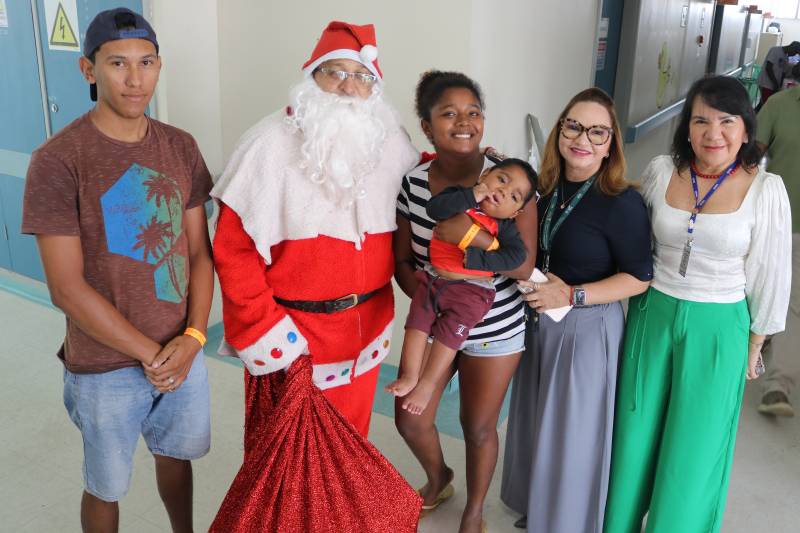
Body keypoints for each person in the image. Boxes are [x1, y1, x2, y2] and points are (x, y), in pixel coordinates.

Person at [21, 8, 213, 533]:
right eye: (118, 63)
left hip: (182, 348)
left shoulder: (180, 146)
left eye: (146, 62)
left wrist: (194, 338)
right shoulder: (58, 160)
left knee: (177, 459)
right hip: (105, 364)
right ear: (89, 70)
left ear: (159, 65)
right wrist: (153, 356)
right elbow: (66, 288)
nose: (135, 78)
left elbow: (199, 253)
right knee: (106, 484)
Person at [211, 21, 418, 441]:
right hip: (294, 340)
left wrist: (477, 165)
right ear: (312, 76)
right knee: (289, 464)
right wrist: (274, 337)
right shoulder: (266, 144)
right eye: (335, 72)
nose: (347, 87)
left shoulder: (388, 139)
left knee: (351, 449)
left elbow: (425, 175)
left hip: (365, 331)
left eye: (362, 76)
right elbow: (234, 252)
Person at [604, 75, 791, 533]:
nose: (714, 133)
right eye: (701, 120)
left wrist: (754, 343)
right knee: (634, 431)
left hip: (719, 324)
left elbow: (770, 272)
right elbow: (632, 241)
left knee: (696, 444)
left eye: (727, 121)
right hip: (654, 313)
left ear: (746, 129)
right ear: (686, 127)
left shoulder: (766, 190)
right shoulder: (662, 171)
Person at [500, 88, 653, 533]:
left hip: (587, 325)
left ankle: (565, 520)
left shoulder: (621, 202)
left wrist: (573, 296)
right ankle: (537, 504)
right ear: (559, 130)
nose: (582, 138)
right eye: (574, 125)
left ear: (611, 145)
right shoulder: (542, 189)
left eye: (597, 131)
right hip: (539, 318)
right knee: (534, 417)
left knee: (573, 433)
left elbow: (639, 277)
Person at [394, 70, 537, 533]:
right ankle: (440, 477)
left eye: (473, 112)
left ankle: (474, 512)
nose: (464, 122)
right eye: (448, 113)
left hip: (494, 325)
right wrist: (425, 297)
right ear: (427, 126)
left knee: (478, 427)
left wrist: (473, 238)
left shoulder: (509, 177)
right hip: (435, 314)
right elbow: (401, 259)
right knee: (409, 418)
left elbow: (522, 262)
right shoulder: (414, 184)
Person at [386, 159, 537, 414]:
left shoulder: (504, 227)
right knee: (416, 325)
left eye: (514, 195)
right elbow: (435, 208)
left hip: (473, 290)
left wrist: (477, 255)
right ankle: (411, 376)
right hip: (433, 280)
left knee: (448, 336)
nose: (502, 191)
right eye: (501, 180)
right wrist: (472, 195)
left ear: (514, 212)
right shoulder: (458, 197)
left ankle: (427, 385)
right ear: (486, 174)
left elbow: (516, 258)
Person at [755, 62, 800, 418]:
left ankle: (778, 379)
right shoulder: (781, 105)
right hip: (788, 225)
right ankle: (778, 381)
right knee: (790, 302)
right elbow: (750, 155)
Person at [757, 41, 800, 109]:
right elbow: (768, 68)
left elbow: (783, 73)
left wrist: (780, 86)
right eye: (795, 52)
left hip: (774, 86)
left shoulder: (786, 57)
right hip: (766, 83)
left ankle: (753, 116)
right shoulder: (775, 50)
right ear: (792, 47)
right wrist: (775, 83)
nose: (794, 55)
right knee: (767, 106)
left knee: (762, 104)